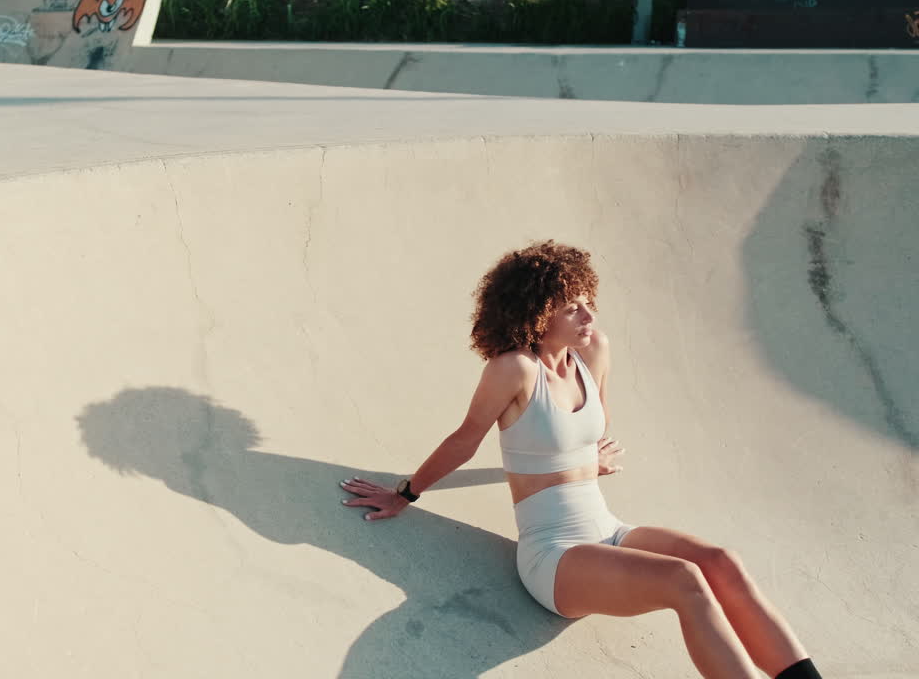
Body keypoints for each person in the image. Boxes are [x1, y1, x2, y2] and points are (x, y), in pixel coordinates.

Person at [339, 240, 821, 679]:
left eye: (589, 301)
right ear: (535, 314)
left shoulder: (591, 352)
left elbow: (591, 428)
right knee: (684, 580)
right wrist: (404, 494)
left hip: (607, 530)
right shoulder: (514, 370)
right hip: (554, 556)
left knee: (720, 562)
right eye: (572, 308)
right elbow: (466, 439)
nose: (589, 316)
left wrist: (590, 461)